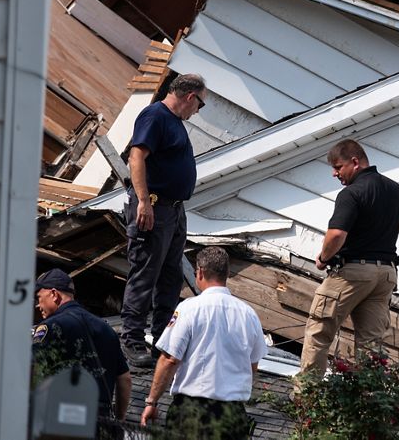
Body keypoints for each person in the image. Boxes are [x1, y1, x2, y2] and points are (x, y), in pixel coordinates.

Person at [299, 139, 399, 374]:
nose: (334, 173)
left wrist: (323, 257)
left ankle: (306, 398)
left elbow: (337, 234)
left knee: (319, 332)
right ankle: (366, 404)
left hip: (353, 273)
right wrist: (376, 233)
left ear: (355, 162)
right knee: (371, 346)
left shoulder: (351, 193)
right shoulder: (394, 188)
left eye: (338, 167)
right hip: (386, 276)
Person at [120, 73, 207, 367]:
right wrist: (144, 201)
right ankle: (131, 339)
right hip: (154, 207)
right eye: (201, 104)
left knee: (170, 275)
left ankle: (160, 339)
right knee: (145, 272)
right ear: (190, 97)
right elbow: (136, 157)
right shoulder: (155, 116)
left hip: (173, 209)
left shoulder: (174, 122)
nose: (198, 111)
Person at [140, 246, 266, 439]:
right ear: (227, 274)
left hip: (193, 412)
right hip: (233, 415)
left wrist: (152, 402)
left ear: (199, 272)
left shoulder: (189, 308)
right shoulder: (249, 314)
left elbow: (170, 360)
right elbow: (253, 365)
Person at [32, 269, 132, 437]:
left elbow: (33, 371)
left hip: (63, 421)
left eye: (39, 298)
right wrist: (119, 419)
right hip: (102, 424)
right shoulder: (107, 329)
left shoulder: (51, 327)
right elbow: (125, 380)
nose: (37, 305)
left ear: (54, 294)